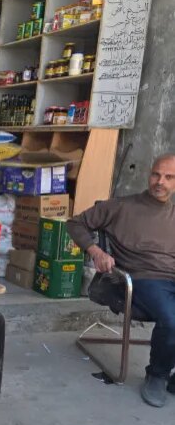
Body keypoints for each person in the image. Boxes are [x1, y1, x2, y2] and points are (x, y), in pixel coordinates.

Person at [66, 153, 175, 408]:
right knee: (172, 320)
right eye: (156, 174)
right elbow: (76, 223)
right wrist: (96, 252)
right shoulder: (121, 207)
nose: (160, 182)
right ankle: (157, 375)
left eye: (169, 177)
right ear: (149, 174)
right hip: (144, 278)